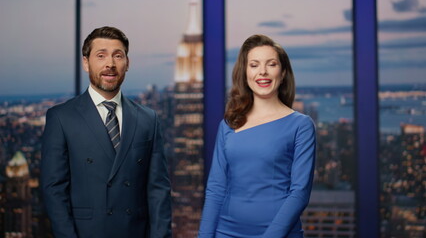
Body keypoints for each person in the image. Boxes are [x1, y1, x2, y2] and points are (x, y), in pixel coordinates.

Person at [41, 26, 171, 238]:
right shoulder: (61, 117)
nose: (110, 64)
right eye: (101, 56)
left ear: (127, 63)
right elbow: (54, 191)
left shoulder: (149, 119)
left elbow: (158, 191)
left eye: (118, 56)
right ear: (86, 62)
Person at [198, 34, 316, 238]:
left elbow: (299, 193)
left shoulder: (301, 125)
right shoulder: (228, 124)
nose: (263, 72)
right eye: (254, 65)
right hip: (226, 232)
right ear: (245, 73)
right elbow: (216, 189)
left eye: (271, 64)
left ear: (283, 71)